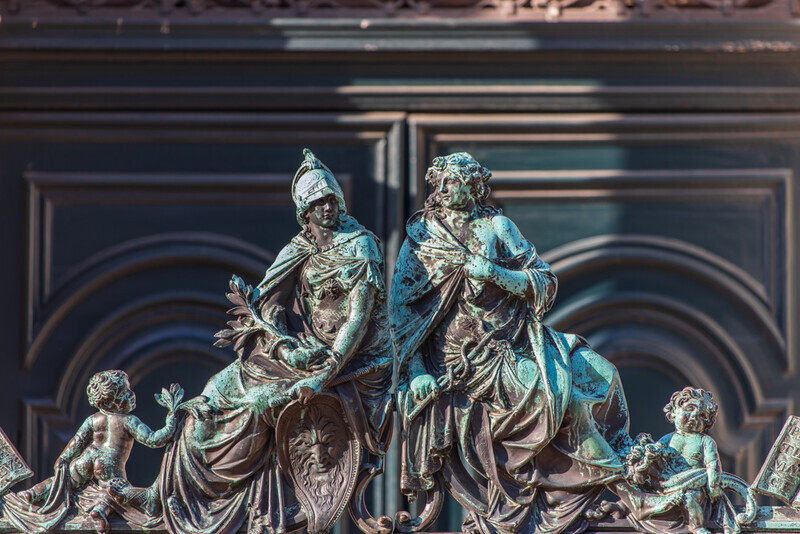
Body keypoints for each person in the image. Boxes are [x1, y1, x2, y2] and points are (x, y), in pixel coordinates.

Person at [391, 152, 631, 534]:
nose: (448, 189)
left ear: (474, 186)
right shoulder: (421, 242)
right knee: (560, 399)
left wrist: (495, 273)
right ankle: (614, 478)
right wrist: (418, 373)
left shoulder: (498, 227)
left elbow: (544, 281)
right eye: (443, 182)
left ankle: (627, 459)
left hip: (518, 338)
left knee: (602, 372)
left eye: (457, 181)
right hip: (466, 362)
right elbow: (403, 321)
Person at [160, 149, 393, 534]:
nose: (328, 209)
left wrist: (323, 373)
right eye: (318, 203)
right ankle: (197, 494)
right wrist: (285, 345)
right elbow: (267, 303)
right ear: (305, 212)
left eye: (332, 200)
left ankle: (241, 501)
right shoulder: (299, 249)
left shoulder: (360, 247)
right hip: (306, 353)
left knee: (259, 403)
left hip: (354, 363)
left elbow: (358, 317)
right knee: (223, 387)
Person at [4, 370, 181, 534]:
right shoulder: (129, 421)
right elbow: (154, 439)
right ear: (112, 402)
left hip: (88, 456)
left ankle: (34, 493)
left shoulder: (93, 419)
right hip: (110, 464)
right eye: (125, 393)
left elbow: (77, 441)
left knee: (66, 479)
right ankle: (100, 512)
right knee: (113, 492)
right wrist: (171, 419)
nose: (132, 395)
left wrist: (63, 458)